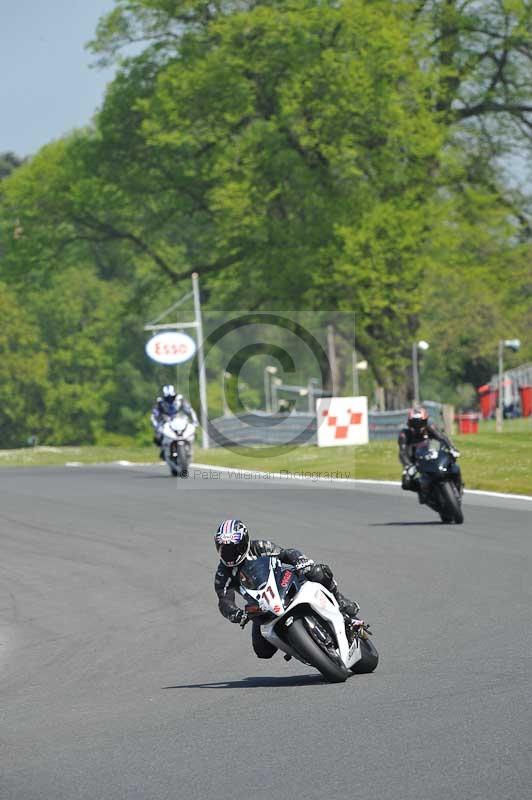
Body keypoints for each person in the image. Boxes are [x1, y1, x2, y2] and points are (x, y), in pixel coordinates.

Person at [214, 519, 361, 659]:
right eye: (223, 549)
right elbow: (224, 599)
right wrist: (236, 613)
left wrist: (300, 560)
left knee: (317, 572)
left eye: (233, 548)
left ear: (244, 541)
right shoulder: (223, 573)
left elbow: (286, 553)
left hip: (284, 581)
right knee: (262, 651)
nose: (229, 554)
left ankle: (340, 600)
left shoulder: (259, 547)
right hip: (262, 606)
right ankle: (296, 644)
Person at [398, 406, 460, 500]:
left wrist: (452, 448)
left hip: (433, 455)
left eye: (420, 423)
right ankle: (424, 493)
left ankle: (457, 487)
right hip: (416, 462)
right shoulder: (404, 434)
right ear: (409, 423)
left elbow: (442, 438)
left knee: (454, 466)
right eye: (414, 424)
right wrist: (408, 466)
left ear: (425, 421)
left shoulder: (430, 427)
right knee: (406, 483)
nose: (417, 427)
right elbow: (402, 452)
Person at [150, 385, 198, 451]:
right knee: (158, 436)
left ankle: (188, 447)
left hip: (179, 419)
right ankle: (164, 449)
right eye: (168, 398)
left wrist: (194, 421)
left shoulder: (180, 400)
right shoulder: (160, 402)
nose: (170, 399)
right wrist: (157, 425)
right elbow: (154, 415)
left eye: (172, 397)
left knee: (191, 431)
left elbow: (189, 410)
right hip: (165, 420)